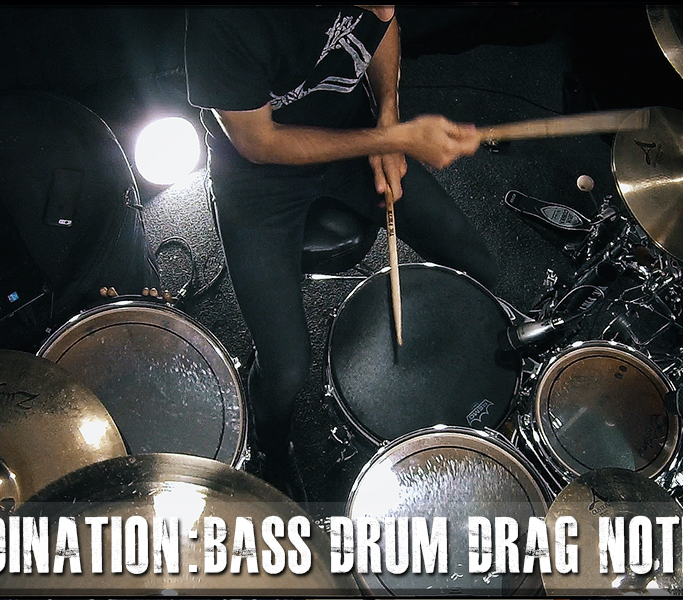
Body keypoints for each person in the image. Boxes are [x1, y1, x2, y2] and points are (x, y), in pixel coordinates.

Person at [184, 6, 498, 500]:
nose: (386, 8)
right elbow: (257, 142)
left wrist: (388, 113)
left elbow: (383, 28)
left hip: (357, 135)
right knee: (286, 370)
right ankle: (271, 445)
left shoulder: (379, 6)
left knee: (480, 269)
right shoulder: (224, 21)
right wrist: (390, 138)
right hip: (257, 182)